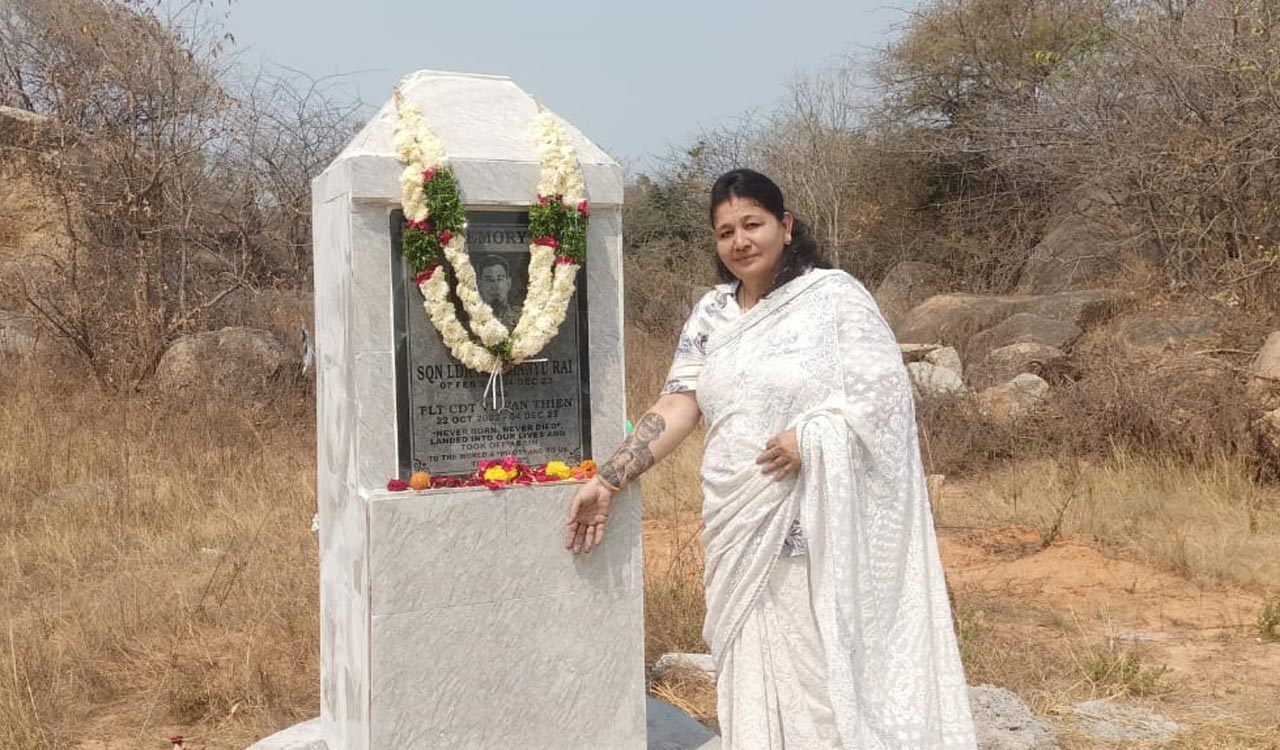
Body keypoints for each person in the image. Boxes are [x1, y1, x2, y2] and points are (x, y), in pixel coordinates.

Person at [565, 169, 978, 749]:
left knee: (818, 679)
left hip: (810, 522)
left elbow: (885, 400)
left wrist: (812, 435)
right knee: (749, 672)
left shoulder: (832, 298)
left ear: (785, 226)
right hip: (735, 520)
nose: (740, 241)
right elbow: (678, 404)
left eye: (752, 224)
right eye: (725, 231)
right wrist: (609, 480)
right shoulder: (711, 314)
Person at [476, 254, 521, 329]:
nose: (496, 286)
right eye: (489, 280)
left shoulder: (523, 317)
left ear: (508, 283)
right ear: (480, 285)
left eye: (500, 279)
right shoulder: (471, 317)